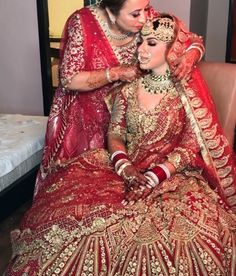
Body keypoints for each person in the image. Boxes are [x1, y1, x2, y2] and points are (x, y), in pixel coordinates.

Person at [1, 12, 236, 276]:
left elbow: (190, 144)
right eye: (140, 41)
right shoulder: (128, 89)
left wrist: (156, 174)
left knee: (191, 245)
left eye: (151, 43)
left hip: (173, 176)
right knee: (67, 229)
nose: (140, 49)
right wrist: (123, 163)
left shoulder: (184, 92)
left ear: (170, 50)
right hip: (118, 168)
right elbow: (116, 134)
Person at [35, 0, 205, 194]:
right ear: (111, 12)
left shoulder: (144, 14)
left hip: (132, 114)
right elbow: (68, 79)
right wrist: (116, 73)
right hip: (85, 118)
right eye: (135, 14)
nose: (144, 18)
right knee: (81, 188)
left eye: (146, 9)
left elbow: (189, 39)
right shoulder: (81, 23)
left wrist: (190, 56)